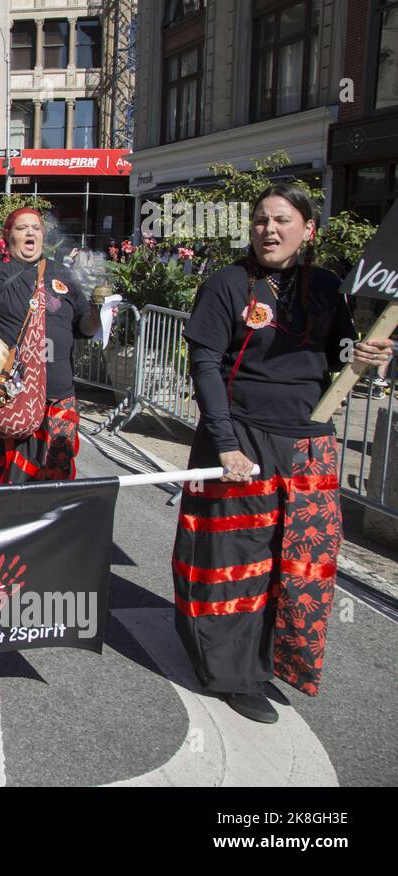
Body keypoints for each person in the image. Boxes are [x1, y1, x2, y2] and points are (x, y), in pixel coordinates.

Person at [171, 184, 392, 724]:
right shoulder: (227, 283)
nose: (269, 229)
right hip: (239, 439)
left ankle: (271, 660)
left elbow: (342, 357)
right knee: (235, 563)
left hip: (309, 443)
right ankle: (231, 671)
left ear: (308, 229)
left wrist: (372, 355)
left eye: (282, 220)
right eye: (260, 220)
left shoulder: (327, 287)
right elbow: (205, 365)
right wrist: (223, 442)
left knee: (297, 566)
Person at [0, 209, 104, 485]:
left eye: (36, 228)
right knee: (7, 483)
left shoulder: (61, 274)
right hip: (6, 393)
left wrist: (97, 317)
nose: (30, 233)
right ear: (8, 235)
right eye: (22, 228)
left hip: (57, 396)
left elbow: (82, 326)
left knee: (55, 479)